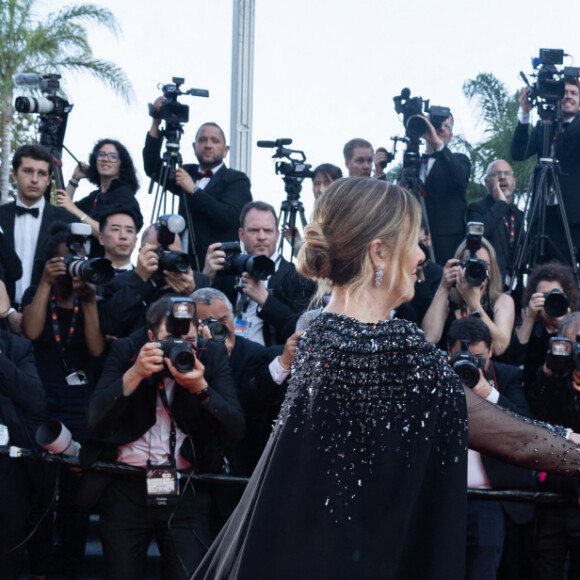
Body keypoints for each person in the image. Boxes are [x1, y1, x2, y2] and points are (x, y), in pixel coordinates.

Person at [192, 177, 580, 580]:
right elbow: (514, 438)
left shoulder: (317, 337)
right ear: (379, 252)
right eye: (413, 242)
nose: (420, 257)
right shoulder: (390, 349)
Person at [84, 294, 244, 580]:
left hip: (186, 489)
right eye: (170, 339)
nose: (180, 347)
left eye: (189, 340)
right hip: (126, 485)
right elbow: (95, 421)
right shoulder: (128, 350)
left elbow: (235, 428)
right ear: (149, 337)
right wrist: (134, 374)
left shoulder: (210, 353)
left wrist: (201, 389)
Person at [447, 317, 535, 580]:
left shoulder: (507, 376)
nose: (471, 364)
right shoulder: (434, 376)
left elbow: (526, 426)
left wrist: (488, 392)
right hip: (447, 495)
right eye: (463, 356)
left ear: (492, 351)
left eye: (479, 357)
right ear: (448, 351)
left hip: (488, 499)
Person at [143, 109, 252, 270]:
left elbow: (229, 217)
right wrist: (156, 123)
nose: (208, 145)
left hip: (218, 267)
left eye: (215, 141)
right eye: (202, 140)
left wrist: (194, 190)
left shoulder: (236, 179)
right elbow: (153, 168)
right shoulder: (187, 171)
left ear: (225, 150)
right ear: (194, 146)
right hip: (182, 265)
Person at [204, 201, 315, 346]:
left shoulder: (297, 277)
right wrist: (206, 277)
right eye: (254, 230)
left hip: (271, 362)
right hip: (226, 358)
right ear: (241, 235)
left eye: (267, 231)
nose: (261, 237)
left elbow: (302, 331)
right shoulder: (227, 271)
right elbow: (201, 316)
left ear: (276, 235)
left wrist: (264, 299)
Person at [0, 144, 78, 330]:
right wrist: (9, 313)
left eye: (42, 173)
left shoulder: (68, 222)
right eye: (28, 171)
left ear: (49, 178)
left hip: (50, 323)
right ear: (14, 174)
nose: (34, 179)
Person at [528, 311, 580, 579]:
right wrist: (549, 371)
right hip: (553, 498)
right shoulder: (553, 380)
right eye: (574, 343)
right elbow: (536, 417)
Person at [98, 220, 210, 338]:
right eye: (160, 253)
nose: (167, 259)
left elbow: (207, 325)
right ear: (141, 252)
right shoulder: (120, 282)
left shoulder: (198, 281)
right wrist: (139, 279)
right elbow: (108, 326)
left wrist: (191, 294)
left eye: (174, 254)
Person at [510, 80, 580, 264]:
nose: (568, 97)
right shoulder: (543, 126)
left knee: (568, 273)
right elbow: (518, 153)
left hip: (571, 217)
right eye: (564, 92)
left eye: (574, 93)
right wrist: (525, 114)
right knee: (538, 269)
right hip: (541, 212)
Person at [422, 236, 515, 357]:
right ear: (458, 266)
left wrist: (474, 304)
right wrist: (444, 287)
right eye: (470, 264)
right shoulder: (447, 300)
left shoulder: (502, 302)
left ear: (492, 271)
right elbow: (428, 339)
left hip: (488, 374)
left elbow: (499, 347)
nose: (476, 270)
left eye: (483, 265)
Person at [504, 260, 579, 390]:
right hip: (532, 397)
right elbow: (513, 360)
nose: (551, 300)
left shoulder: (575, 328)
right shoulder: (531, 329)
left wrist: (565, 326)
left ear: (567, 296)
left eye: (556, 295)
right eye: (544, 295)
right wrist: (530, 318)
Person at [56, 138, 143, 243]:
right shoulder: (96, 196)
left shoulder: (123, 195)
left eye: (113, 156)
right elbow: (63, 210)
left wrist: (74, 209)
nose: (105, 159)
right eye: (101, 155)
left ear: (121, 164)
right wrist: (75, 179)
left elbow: (107, 235)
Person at [418, 113, 471, 265]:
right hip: (416, 241)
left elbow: (459, 178)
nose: (440, 129)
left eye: (446, 126)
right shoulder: (414, 163)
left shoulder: (460, 160)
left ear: (451, 135)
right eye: (436, 124)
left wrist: (437, 144)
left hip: (447, 245)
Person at [467, 159, 524, 287]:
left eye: (507, 174)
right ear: (487, 183)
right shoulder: (476, 209)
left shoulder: (519, 214)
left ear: (514, 183)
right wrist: (500, 204)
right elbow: (480, 235)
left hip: (515, 287)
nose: (502, 177)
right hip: (487, 283)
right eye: (496, 174)